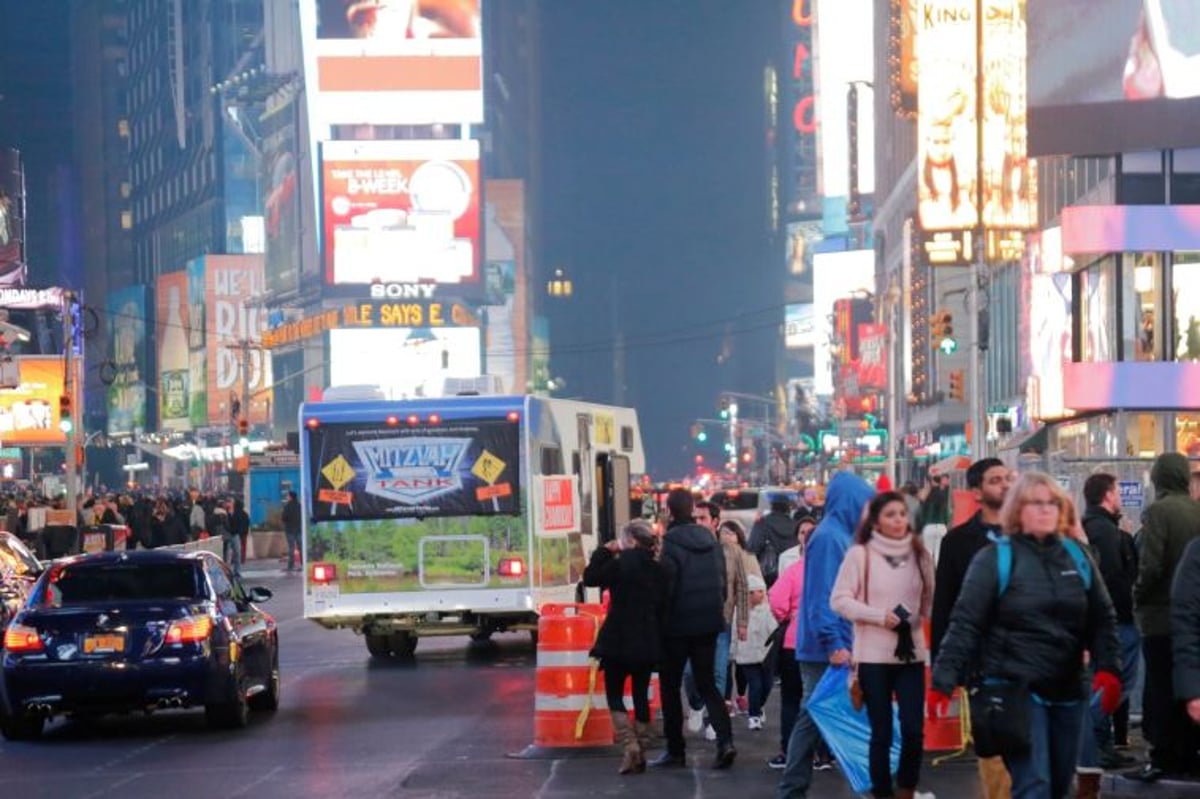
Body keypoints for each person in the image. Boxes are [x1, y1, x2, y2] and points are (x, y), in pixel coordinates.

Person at [931, 472, 1121, 799]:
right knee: (1035, 786)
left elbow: (1102, 617)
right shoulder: (994, 559)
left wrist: (1109, 667)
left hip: (1067, 689)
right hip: (1013, 691)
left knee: (1061, 787)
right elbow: (965, 622)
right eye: (1036, 503)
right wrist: (943, 679)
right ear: (1018, 509)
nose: (1045, 510)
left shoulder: (1078, 556)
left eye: (1052, 503)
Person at [831, 490, 935, 799]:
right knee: (881, 730)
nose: (898, 520)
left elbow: (931, 601)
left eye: (902, 514)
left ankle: (906, 787)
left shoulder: (920, 553)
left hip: (911, 654)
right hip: (873, 656)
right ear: (876, 521)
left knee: (914, 729)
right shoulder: (859, 555)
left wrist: (918, 615)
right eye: (890, 514)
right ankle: (881, 792)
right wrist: (878, 616)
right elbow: (839, 600)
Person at [777, 471, 874, 799]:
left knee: (820, 715)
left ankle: (795, 787)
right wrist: (834, 642)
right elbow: (822, 595)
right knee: (819, 715)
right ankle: (795, 788)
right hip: (827, 647)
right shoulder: (831, 538)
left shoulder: (839, 535)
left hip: (834, 643)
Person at [928, 457, 1012, 798]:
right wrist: (942, 672)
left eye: (1008, 478)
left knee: (1029, 754)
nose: (1005, 485)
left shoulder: (1032, 535)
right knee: (991, 751)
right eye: (995, 480)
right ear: (976, 491)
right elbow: (944, 608)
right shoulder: (957, 542)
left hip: (1031, 661)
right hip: (983, 666)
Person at [651, 488, 736, 770]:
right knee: (708, 684)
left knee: (670, 686)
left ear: (670, 510)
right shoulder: (711, 542)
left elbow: (666, 587)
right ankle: (726, 742)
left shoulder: (671, 543)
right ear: (691, 509)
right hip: (708, 624)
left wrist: (660, 619)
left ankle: (675, 750)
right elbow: (722, 584)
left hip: (676, 626)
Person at [1130, 452, 1200, 782]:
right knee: (1187, 689)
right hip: (1191, 617)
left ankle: (1164, 757)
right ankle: (1189, 752)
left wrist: (1137, 596)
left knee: (1159, 689)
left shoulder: (1159, 511)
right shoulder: (1195, 510)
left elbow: (1151, 565)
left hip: (1159, 615)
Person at [582, 519, 667, 775]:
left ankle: (629, 745)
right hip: (646, 637)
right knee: (641, 693)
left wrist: (605, 551)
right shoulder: (658, 568)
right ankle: (641, 745)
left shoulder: (618, 565)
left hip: (617, 637)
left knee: (615, 693)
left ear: (629, 540)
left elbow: (590, 578)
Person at [1078, 473, 1140, 771]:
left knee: (1109, 683)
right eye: (1117, 490)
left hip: (1107, 620)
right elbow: (1113, 580)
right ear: (1107, 495)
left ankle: (1100, 744)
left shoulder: (1095, 527)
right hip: (1116, 620)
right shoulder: (1103, 531)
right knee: (1116, 683)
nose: (1120, 496)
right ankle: (1091, 741)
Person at [732, 574, 776, 731]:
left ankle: (759, 705)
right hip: (747, 654)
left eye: (760, 592)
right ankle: (754, 715)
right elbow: (734, 633)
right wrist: (733, 652)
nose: (761, 595)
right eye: (756, 592)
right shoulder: (739, 612)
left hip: (766, 655)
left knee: (767, 685)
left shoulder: (769, 610)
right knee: (755, 685)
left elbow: (774, 630)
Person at [749, 496, 797, 586]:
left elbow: (753, 547)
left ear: (772, 507)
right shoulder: (795, 525)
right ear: (788, 508)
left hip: (769, 573)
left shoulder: (763, 523)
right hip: (791, 570)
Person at [282, 490, 303, 573]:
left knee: (291, 548)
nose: (287, 497)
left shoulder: (287, 506)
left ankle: (291, 566)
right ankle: (303, 565)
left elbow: (284, 518)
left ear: (290, 497)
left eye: (288, 496)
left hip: (290, 530)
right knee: (301, 548)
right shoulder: (300, 506)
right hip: (299, 529)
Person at [231, 498, 251, 565]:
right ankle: (242, 559)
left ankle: (235, 559)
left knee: (235, 547)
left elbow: (233, 523)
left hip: (236, 532)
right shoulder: (245, 514)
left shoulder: (234, 513)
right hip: (244, 533)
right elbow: (247, 523)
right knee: (243, 546)